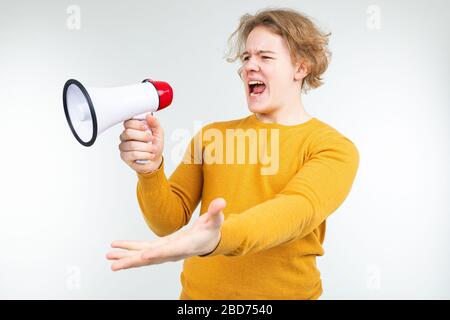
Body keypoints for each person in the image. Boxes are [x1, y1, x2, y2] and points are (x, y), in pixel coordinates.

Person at [106, 8, 359, 300]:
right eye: (247, 57)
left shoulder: (333, 148)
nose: (251, 66)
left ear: (301, 67)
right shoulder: (213, 136)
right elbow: (168, 222)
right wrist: (149, 170)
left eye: (265, 57)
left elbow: (294, 211)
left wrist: (216, 239)